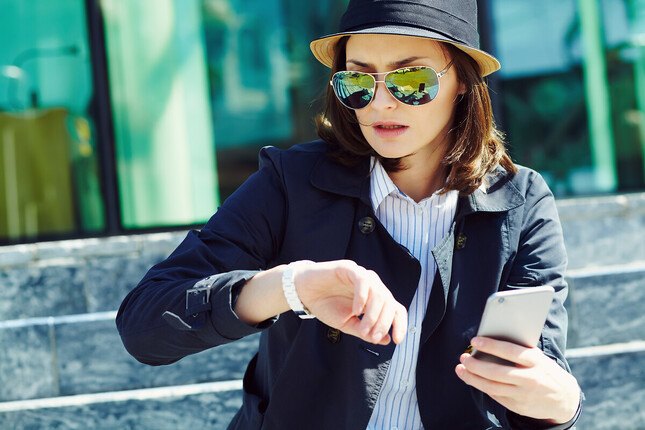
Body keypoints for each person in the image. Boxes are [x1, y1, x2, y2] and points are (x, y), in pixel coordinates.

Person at [116, 0, 584, 428]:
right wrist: (290, 287)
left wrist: (562, 403)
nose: (381, 102)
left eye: (411, 81)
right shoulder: (291, 182)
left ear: (461, 81)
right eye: (358, 81)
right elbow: (146, 323)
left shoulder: (520, 201)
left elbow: (539, 374)